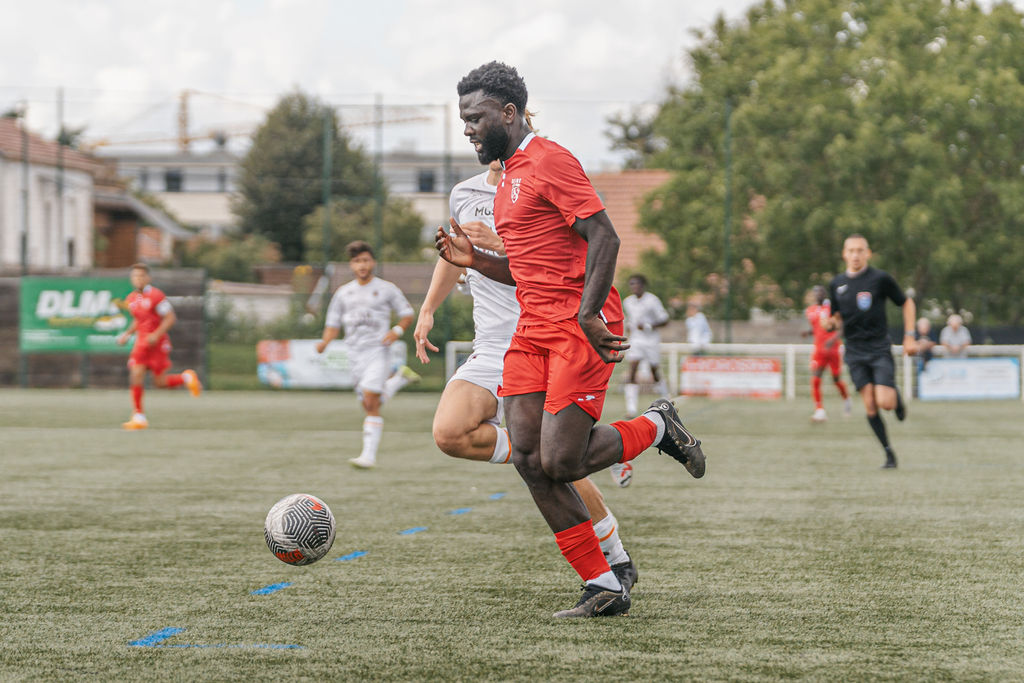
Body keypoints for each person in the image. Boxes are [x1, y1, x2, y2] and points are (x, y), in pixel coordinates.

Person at [438, 61, 705, 618]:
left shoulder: (550, 160)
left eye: (474, 117)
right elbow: (524, 270)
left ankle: (657, 425)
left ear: (508, 114)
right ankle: (603, 585)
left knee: (561, 461)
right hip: (531, 328)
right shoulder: (507, 174)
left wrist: (588, 313)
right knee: (529, 460)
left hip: (578, 325)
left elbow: (605, 236)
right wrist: (475, 259)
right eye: (462, 118)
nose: (466, 128)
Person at [414, 159, 637, 593]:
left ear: (515, 120)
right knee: (450, 432)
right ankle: (570, 444)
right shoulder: (465, 193)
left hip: (545, 336)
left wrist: (498, 244)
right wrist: (427, 308)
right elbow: (453, 254)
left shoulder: (546, 182)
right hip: (494, 344)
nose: (479, 134)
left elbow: (575, 256)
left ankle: (614, 555)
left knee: (555, 467)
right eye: (472, 124)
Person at [315, 240, 419, 469]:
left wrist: (396, 330)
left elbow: (407, 313)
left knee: (371, 401)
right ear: (351, 265)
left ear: (372, 262)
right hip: (354, 354)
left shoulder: (386, 288)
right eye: (356, 261)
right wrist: (325, 342)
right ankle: (399, 379)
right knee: (370, 402)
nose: (361, 265)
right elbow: (332, 324)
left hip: (378, 351)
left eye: (365, 260)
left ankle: (368, 456)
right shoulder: (343, 293)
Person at [826, 234, 917, 469]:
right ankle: (889, 454)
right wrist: (832, 324)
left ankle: (896, 400)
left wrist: (909, 336)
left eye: (860, 250)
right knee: (870, 405)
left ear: (868, 253)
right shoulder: (836, 284)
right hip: (854, 351)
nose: (855, 255)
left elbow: (906, 303)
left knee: (885, 402)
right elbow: (836, 317)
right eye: (851, 250)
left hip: (878, 348)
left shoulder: (880, 279)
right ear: (844, 254)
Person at [117, 263, 201, 430]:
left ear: (148, 278)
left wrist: (156, 334)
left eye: (141, 276)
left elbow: (170, 318)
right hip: (141, 344)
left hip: (158, 344)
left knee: (160, 383)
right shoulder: (132, 299)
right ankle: (139, 416)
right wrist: (127, 334)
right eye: (135, 276)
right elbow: (138, 319)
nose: (138, 279)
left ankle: (186, 378)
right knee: (136, 374)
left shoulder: (156, 296)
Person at [615, 273, 671, 487]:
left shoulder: (652, 300)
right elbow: (629, 322)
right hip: (637, 342)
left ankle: (667, 401)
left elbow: (664, 320)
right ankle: (631, 408)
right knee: (632, 372)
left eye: (636, 284)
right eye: (631, 284)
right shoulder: (628, 302)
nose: (634, 287)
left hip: (651, 340)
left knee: (656, 372)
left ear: (643, 285)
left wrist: (648, 327)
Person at [801, 285, 851, 422]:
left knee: (836, 379)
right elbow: (818, 329)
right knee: (816, 378)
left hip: (833, 349)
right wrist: (809, 333)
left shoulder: (833, 308)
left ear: (825, 294)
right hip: (819, 349)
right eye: (815, 292)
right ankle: (819, 410)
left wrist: (833, 340)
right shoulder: (810, 311)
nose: (818, 295)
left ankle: (846, 399)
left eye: (820, 292)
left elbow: (841, 328)